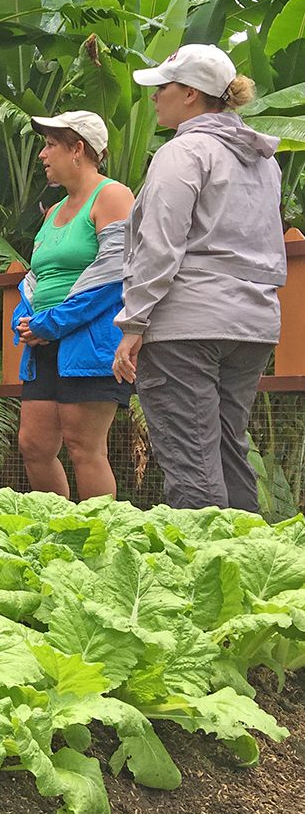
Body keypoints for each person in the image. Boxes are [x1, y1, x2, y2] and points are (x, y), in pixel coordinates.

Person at [113, 44, 287, 512]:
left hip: (185, 325)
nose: (154, 98)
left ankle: (204, 574)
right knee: (231, 448)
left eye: (162, 88)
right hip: (252, 322)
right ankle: (252, 569)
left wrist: (134, 324)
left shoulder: (183, 152)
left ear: (190, 93)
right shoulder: (263, 159)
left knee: (190, 457)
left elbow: (160, 246)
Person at [9, 110, 135, 500]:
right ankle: (58, 528)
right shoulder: (55, 211)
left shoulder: (112, 195)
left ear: (78, 149)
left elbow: (114, 276)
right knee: (34, 445)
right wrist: (25, 318)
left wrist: (52, 324)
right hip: (44, 343)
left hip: (89, 344)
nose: (43, 155)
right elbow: (38, 277)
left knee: (85, 447)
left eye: (50, 145)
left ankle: (99, 539)